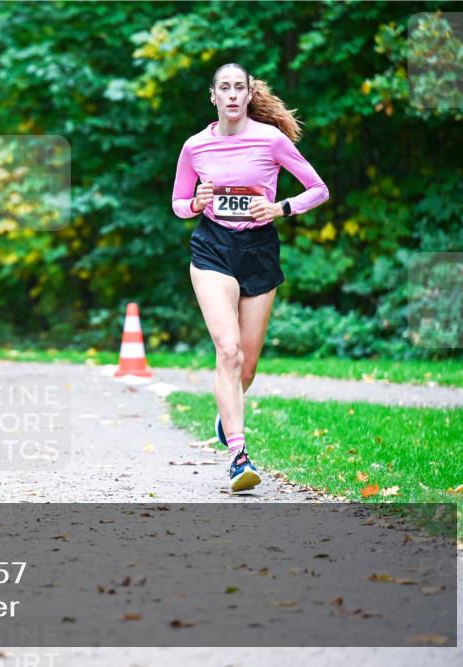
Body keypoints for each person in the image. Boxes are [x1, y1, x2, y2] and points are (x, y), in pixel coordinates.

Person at [171, 63, 329, 492]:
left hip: (259, 250)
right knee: (228, 349)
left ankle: (227, 414)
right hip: (213, 249)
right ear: (214, 96)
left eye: (239, 87)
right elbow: (178, 203)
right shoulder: (195, 147)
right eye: (225, 88)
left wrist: (282, 208)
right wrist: (196, 203)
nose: (233, 95)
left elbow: (319, 189)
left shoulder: (270, 139)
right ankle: (239, 458)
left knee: (248, 363)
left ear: (247, 93)